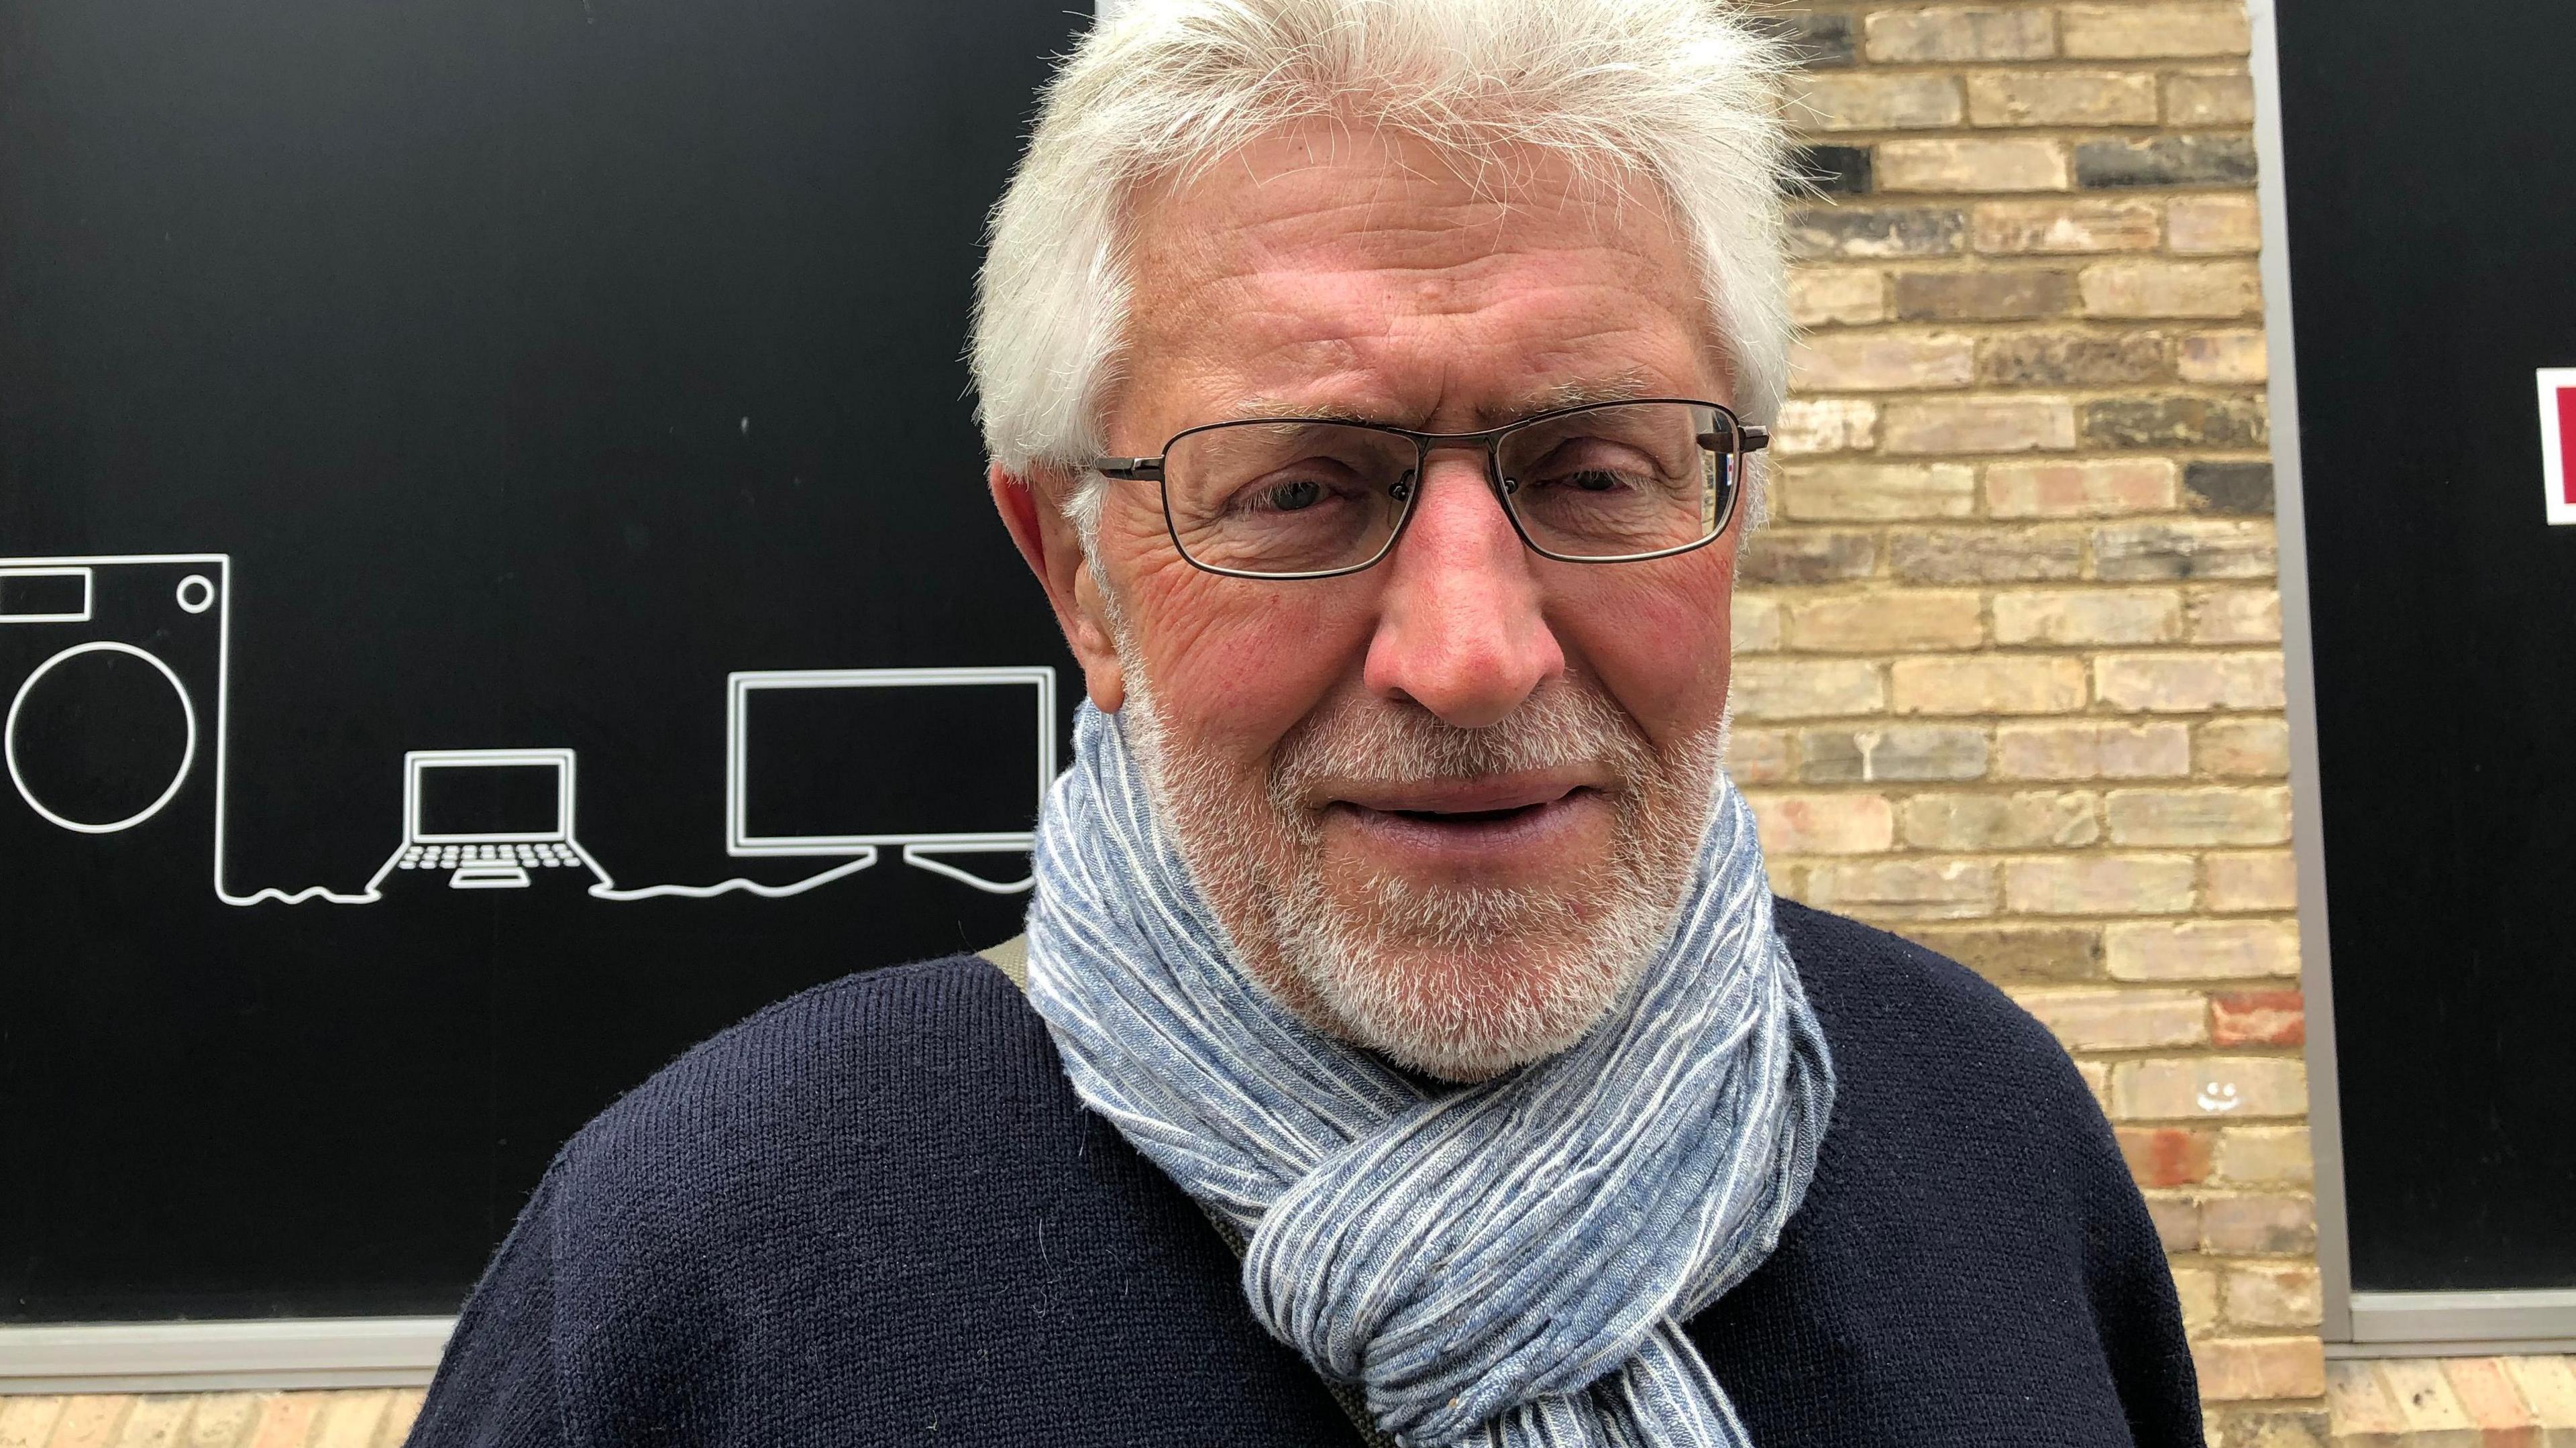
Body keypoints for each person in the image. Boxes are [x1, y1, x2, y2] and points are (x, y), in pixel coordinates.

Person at [409, 1, 2202, 1443]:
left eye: (1592, 471)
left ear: (1730, 505)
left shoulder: (1994, 1137)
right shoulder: (704, 1266)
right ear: (1081, 581)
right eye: (1299, 491)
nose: (1474, 653)